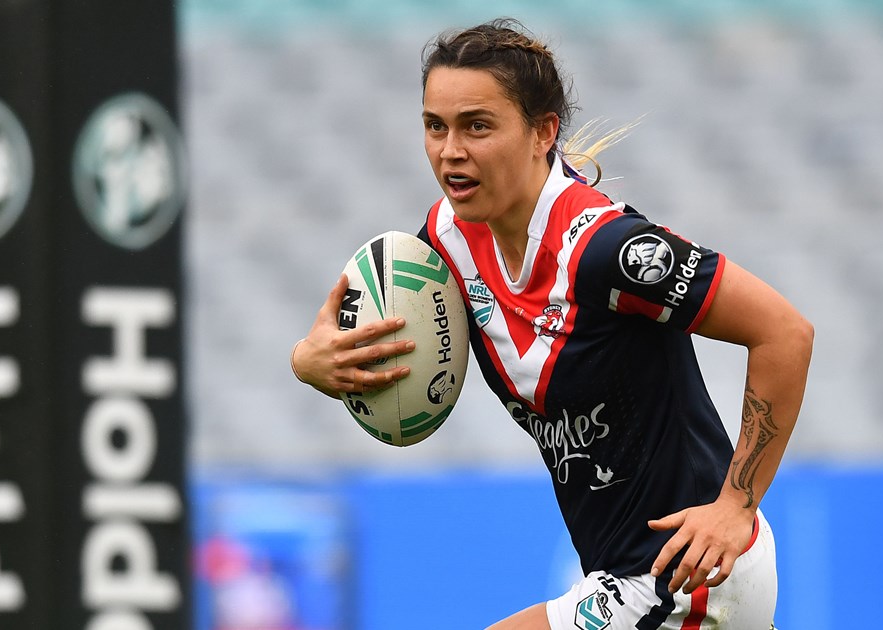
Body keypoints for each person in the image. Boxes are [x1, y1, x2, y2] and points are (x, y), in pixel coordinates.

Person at [290, 18, 813, 629]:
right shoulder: (446, 244)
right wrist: (311, 361)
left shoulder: (607, 251)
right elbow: (384, 351)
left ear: (543, 131)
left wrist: (736, 506)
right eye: (435, 126)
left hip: (687, 576)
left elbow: (784, 332)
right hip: (627, 574)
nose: (450, 150)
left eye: (477, 126)